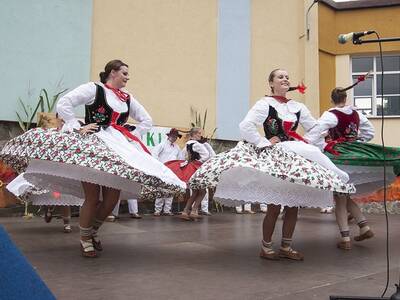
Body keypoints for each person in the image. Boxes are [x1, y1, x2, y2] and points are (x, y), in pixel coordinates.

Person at [0, 59, 185, 258]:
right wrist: (77, 126)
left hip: (117, 147)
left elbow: (146, 120)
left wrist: (128, 134)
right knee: (92, 196)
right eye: (124, 73)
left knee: (111, 198)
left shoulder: (127, 98)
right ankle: (85, 237)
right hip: (94, 143)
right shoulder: (94, 89)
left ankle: (93, 231)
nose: (127, 77)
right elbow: (65, 103)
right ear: (112, 72)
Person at [189, 69, 355, 261]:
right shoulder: (265, 104)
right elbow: (246, 126)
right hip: (275, 155)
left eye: (287, 77)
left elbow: (317, 128)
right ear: (271, 83)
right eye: (280, 77)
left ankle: (286, 246)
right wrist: (265, 142)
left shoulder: (298, 106)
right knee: (275, 204)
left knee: (294, 204)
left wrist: (306, 141)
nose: (285, 79)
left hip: (295, 153)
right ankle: (266, 247)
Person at [306, 76, 400, 249]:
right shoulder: (357, 114)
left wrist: (323, 145)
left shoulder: (330, 115)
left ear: (332, 99)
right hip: (355, 153)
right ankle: (364, 227)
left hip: (339, 157)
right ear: (345, 98)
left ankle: (345, 239)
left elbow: (313, 134)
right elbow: (369, 132)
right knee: (344, 195)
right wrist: (357, 141)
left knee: (340, 197)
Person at [165, 128, 211, 221]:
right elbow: (206, 155)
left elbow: (182, 156)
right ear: (194, 134)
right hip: (196, 168)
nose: (200, 135)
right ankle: (193, 211)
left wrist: (188, 163)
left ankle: (186, 211)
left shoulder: (187, 144)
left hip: (189, 168)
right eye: (199, 133)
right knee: (202, 191)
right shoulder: (197, 144)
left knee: (195, 192)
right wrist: (199, 162)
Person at [152, 128, 183, 216]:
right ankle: (157, 210)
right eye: (173, 136)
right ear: (169, 136)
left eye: (176, 136)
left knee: (170, 190)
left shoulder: (177, 147)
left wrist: (180, 166)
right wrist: (160, 165)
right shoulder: (162, 145)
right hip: (163, 170)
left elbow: (180, 158)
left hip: (173, 171)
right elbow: (154, 154)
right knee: (161, 190)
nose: (174, 138)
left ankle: (167, 210)